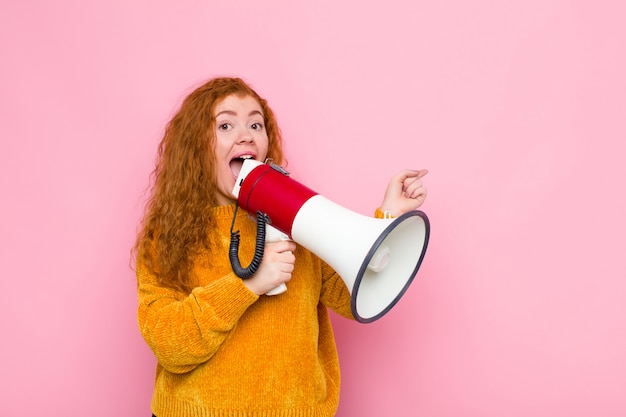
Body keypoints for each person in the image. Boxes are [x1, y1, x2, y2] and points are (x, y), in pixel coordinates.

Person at [133, 77, 428, 417]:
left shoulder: (296, 215)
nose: (246, 134)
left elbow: (354, 293)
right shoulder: (167, 235)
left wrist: (386, 218)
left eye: (255, 124)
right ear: (195, 147)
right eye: (226, 125)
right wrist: (247, 284)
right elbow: (170, 344)